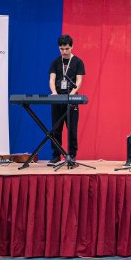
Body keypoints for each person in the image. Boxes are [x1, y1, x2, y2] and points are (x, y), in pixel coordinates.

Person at [48, 34, 86, 165]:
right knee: (56, 129)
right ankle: (56, 155)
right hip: (57, 99)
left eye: (67, 49)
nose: (64, 51)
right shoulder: (55, 62)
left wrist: (72, 94)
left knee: (72, 129)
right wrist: (54, 93)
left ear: (72, 47)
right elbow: (52, 79)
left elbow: (79, 80)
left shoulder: (78, 62)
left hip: (71, 99)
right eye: (62, 49)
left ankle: (72, 155)